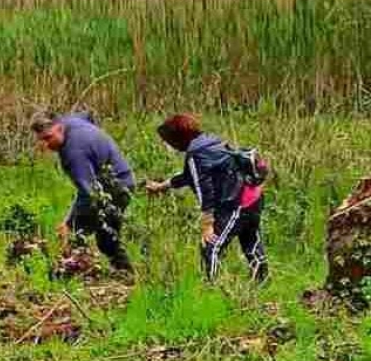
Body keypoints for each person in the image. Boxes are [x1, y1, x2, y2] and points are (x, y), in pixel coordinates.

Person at [146, 114, 269, 283]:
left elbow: (205, 189)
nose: (168, 145)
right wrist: (162, 186)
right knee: (250, 242)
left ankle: (211, 288)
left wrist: (207, 224)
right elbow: (189, 176)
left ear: (178, 139)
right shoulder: (211, 142)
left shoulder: (196, 155)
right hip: (252, 197)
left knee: (210, 247)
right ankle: (262, 283)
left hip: (236, 204)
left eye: (168, 141)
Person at [31, 110, 136, 271]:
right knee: (85, 228)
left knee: (93, 236)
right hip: (115, 179)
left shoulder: (74, 152)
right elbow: (87, 116)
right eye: (41, 140)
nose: (45, 145)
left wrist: (68, 222)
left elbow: (89, 193)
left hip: (117, 186)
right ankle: (77, 264)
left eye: (48, 138)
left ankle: (125, 274)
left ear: (59, 127)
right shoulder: (70, 122)